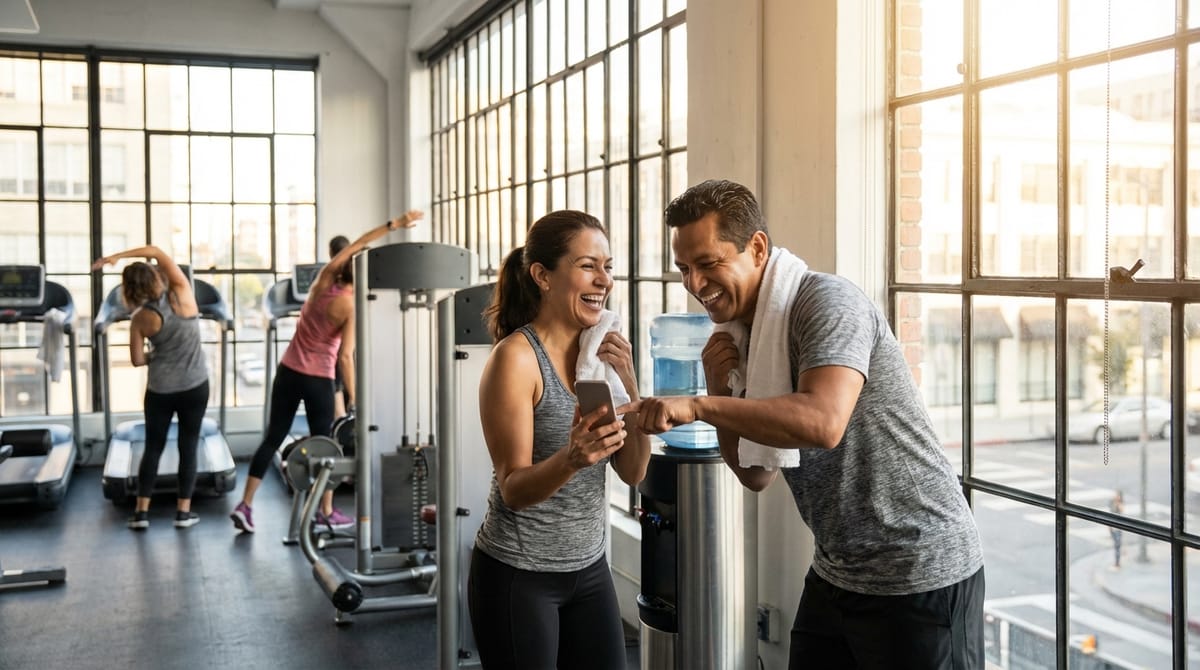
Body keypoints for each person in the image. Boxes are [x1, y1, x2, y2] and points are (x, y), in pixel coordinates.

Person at [628, 180, 986, 669]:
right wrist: (719, 389)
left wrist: (702, 407)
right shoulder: (743, 336)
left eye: (708, 263)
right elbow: (754, 473)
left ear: (757, 248)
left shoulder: (827, 303)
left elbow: (822, 422)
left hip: (918, 570)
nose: (695, 283)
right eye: (684, 268)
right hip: (837, 570)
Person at [468, 210, 650, 670]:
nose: (604, 280)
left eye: (607, 266)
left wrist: (630, 383)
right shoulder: (516, 359)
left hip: (589, 570)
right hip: (519, 575)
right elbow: (513, 488)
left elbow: (633, 471)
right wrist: (571, 459)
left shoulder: (599, 354)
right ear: (542, 276)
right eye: (588, 265)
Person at [230, 211, 422, 534]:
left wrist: (394, 225)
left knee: (273, 437)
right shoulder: (350, 306)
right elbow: (345, 357)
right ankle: (326, 511)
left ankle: (245, 504)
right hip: (318, 378)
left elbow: (357, 243)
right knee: (328, 446)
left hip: (288, 370)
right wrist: (356, 400)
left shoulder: (321, 283)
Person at [91, 246, 209, 530]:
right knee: (188, 446)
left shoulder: (140, 318)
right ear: (156, 277)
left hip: (160, 390)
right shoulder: (182, 292)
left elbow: (137, 360)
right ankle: (183, 513)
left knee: (153, 447)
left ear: (129, 290)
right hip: (194, 386)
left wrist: (156, 354)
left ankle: (141, 514)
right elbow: (156, 250)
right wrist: (118, 257)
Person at [328, 234, 351, 417]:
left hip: (336, 342)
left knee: (338, 376)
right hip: (347, 338)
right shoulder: (351, 275)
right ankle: (344, 415)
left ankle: (341, 416)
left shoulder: (331, 278)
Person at [1110, 490, 1125, 569]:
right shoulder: (1112, 502)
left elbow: (1122, 510)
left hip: (1118, 528)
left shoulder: (1120, 503)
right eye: (1115, 495)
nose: (1115, 496)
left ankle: (1117, 563)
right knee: (1115, 544)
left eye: (1117, 495)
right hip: (1112, 527)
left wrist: (1118, 503)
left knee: (1117, 546)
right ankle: (1117, 562)